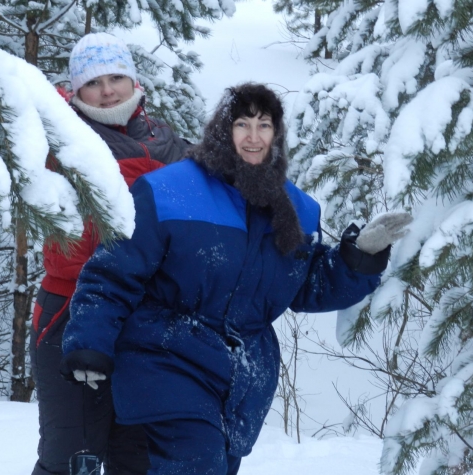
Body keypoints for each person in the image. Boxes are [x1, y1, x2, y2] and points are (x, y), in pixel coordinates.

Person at [59, 83, 411, 474]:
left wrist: (360, 255)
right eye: (242, 124)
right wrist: (90, 341)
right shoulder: (168, 191)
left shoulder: (298, 210)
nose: (253, 136)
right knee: (196, 460)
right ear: (223, 130)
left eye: (264, 125)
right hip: (163, 356)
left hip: (242, 378)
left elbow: (308, 287)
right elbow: (112, 273)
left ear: (277, 134)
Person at [30, 32, 189, 475]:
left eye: (116, 76)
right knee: (71, 456)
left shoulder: (165, 140)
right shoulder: (57, 137)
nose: (107, 90)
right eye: (93, 82)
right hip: (71, 307)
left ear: (133, 80)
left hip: (147, 315)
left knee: (139, 454)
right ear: (75, 90)